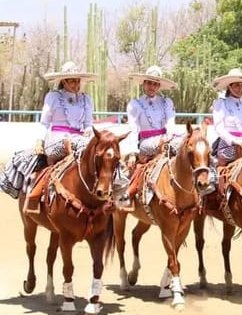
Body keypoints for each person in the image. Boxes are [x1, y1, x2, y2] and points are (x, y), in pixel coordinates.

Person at [0, 61, 99, 209]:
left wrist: (93, 139)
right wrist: (39, 141)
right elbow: (45, 122)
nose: (76, 84)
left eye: (78, 80)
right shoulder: (53, 97)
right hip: (57, 139)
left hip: (80, 139)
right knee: (82, 145)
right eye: (72, 81)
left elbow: (88, 125)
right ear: (64, 81)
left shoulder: (86, 99)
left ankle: (112, 191)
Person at [122, 65, 179, 161]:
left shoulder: (166, 102)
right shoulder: (135, 104)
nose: (152, 87)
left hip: (166, 139)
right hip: (146, 143)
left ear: (159, 86)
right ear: (144, 84)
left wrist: (169, 135)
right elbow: (133, 129)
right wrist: (132, 152)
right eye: (149, 83)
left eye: (155, 84)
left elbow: (170, 121)